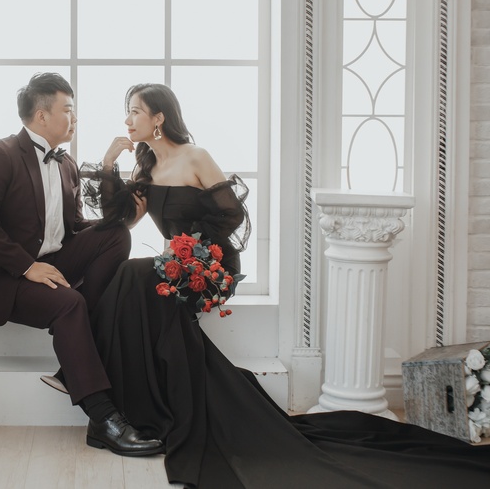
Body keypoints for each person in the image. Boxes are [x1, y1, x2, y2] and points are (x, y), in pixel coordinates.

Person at [82, 82, 490, 487]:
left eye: (135, 110)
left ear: (158, 117)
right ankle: (149, 408)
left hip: (210, 264)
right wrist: (109, 163)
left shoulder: (195, 157)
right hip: (176, 268)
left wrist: (189, 249)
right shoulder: (146, 168)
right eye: (126, 110)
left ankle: (99, 386)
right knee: (135, 284)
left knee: (134, 275)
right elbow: (124, 220)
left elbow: (231, 215)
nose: (127, 119)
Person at [0, 72, 163, 457]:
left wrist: (115, 217)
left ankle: (80, 349)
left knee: (116, 234)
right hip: (5, 278)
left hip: (51, 262)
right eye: (68, 109)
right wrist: (26, 267)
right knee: (70, 304)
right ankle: (103, 420)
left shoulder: (66, 165)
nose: (75, 118)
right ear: (42, 115)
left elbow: (74, 227)